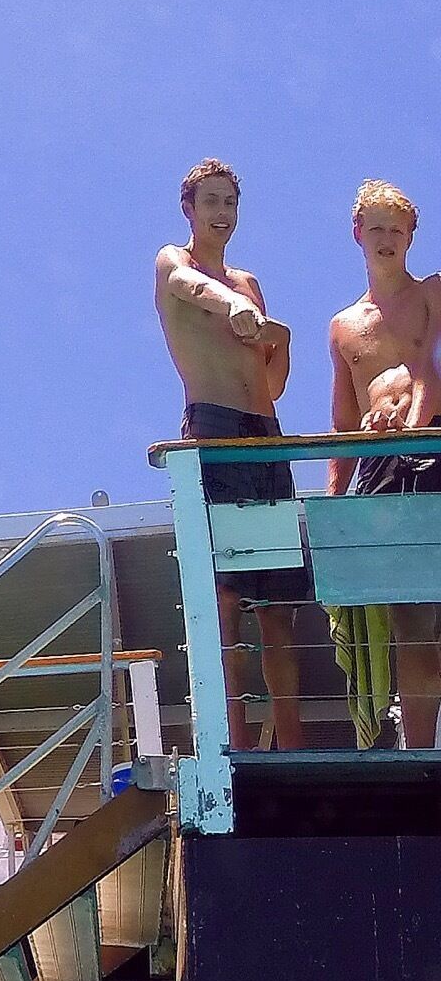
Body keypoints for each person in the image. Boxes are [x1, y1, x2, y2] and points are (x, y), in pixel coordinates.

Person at [155, 158, 308, 750]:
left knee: (276, 605)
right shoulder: (177, 260)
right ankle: (235, 744)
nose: (223, 213)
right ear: (189, 209)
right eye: (212, 201)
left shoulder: (249, 283)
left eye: (231, 203)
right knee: (225, 599)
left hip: (264, 433)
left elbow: (271, 386)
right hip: (214, 428)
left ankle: (292, 745)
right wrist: (231, 308)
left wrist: (283, 340)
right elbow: (189, 288)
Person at [328, 180, 441, 749]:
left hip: (434, 460)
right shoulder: (344, 326)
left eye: (397, 229)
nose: (386, 238)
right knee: (408, 622)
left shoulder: (434, 294)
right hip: (378, 476)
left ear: (412, 237)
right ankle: (419, 755)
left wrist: (413, 426)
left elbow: (431, 370)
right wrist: (331, 505)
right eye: (376, 227)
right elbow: (344, 422)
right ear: (357, 234)